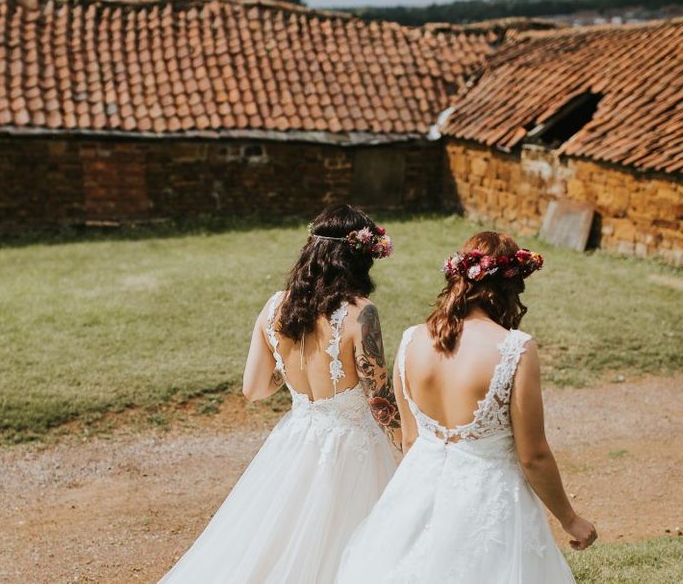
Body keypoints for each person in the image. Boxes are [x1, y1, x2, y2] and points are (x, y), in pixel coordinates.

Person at [157, 204, 401, 584]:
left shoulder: (276, 305)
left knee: (274, 541)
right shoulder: (362, 313)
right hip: (355, 449)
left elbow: (254, 389)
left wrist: (290, 377)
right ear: (358, 259)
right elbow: (380, 400)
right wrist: (409, 447)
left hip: (296, 440)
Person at [336, 231, 597, 583]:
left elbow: (411, 441)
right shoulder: (515, 348)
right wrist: (570, 519)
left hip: (417, 494)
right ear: (510, 287)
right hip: (489, 504)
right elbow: (532, 456)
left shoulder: (413, 339)